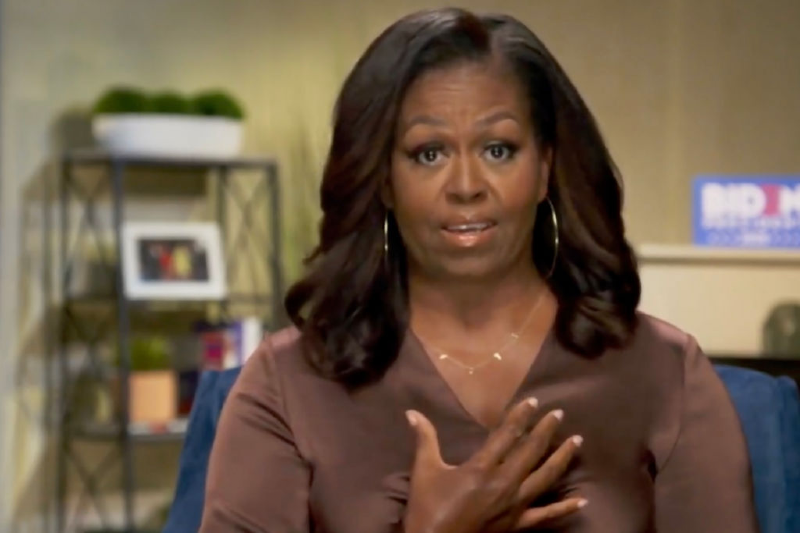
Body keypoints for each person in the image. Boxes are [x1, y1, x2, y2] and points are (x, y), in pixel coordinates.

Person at [200, 7, 758, 533]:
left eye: (498, 149)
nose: (466, 186)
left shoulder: (665, 374)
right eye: (428, 153)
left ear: (545, 169)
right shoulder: (289, 385)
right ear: (384, 182)